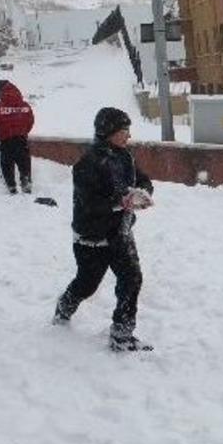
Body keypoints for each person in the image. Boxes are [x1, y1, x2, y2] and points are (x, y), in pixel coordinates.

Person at [53, 108, 155, 352]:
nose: (128, 136)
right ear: (107, 132)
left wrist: (142, 193)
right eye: (123, 131)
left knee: (131, 279)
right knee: (87, 284)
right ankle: (63, 308)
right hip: (92, 237)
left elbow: (143, 180)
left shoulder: (125, 156)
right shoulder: (87, 163)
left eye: (128, 130)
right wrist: (121, 202)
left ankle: (122, 334)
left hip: (120, 232)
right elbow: (91, 204)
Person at [0, 80, 34, 194]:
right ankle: (26, 181)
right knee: (24, 162)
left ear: (0, 91)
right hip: (21, 139)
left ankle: (11, 187)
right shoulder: (25, 105)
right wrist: (23, 131)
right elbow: (30, 122)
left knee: (6, 164)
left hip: (6, 140)